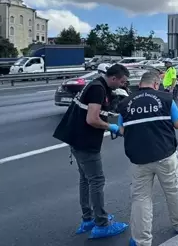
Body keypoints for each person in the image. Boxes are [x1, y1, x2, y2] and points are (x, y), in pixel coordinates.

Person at [52, 64, 130, 239]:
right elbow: (92, 119)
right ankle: (101, 223)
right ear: (114, 78)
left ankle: (88, 218)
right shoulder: (98, 90)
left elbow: (99, 112)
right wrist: (112, 127)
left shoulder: (96, 84)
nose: (123, 85)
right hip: (85, 141)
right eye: (122, 82)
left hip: (76, 138)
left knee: (86, 179)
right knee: (96, 180)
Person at [116, 71, 178, 246]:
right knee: (173, 190)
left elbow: (122, 130)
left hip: (139, 158)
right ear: (156, 84)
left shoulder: (125, 103)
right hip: (165, 154)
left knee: (141, 198)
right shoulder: (165, 98)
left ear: (140, 84)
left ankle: (142, 240)